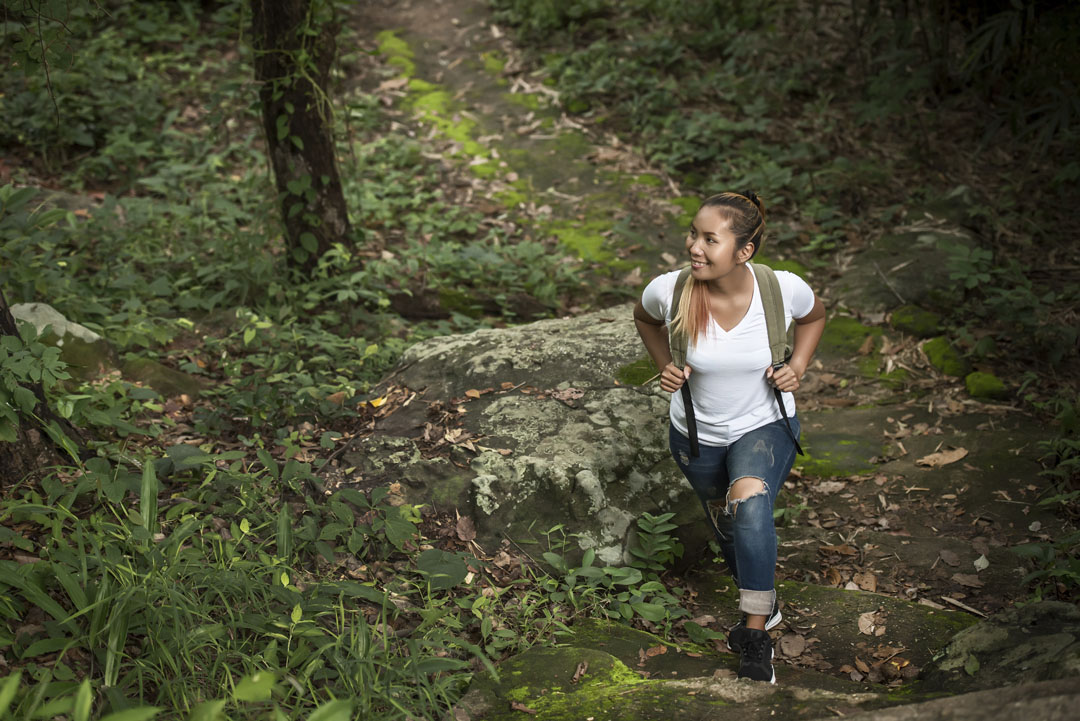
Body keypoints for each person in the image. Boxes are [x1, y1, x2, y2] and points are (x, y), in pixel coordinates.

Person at [633, 191, 826, 683]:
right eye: (694, 234)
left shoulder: (780, 290)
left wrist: (797, 366)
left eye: (709, 239)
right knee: (726, 527)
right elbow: (645, 320)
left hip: (764, 426)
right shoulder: (670, 290)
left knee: (751, 503)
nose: (695, 247)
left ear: (744, 251)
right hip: (695, 435)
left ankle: (755, 633)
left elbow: (815, 317)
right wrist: (665, 368)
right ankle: (764, 593)